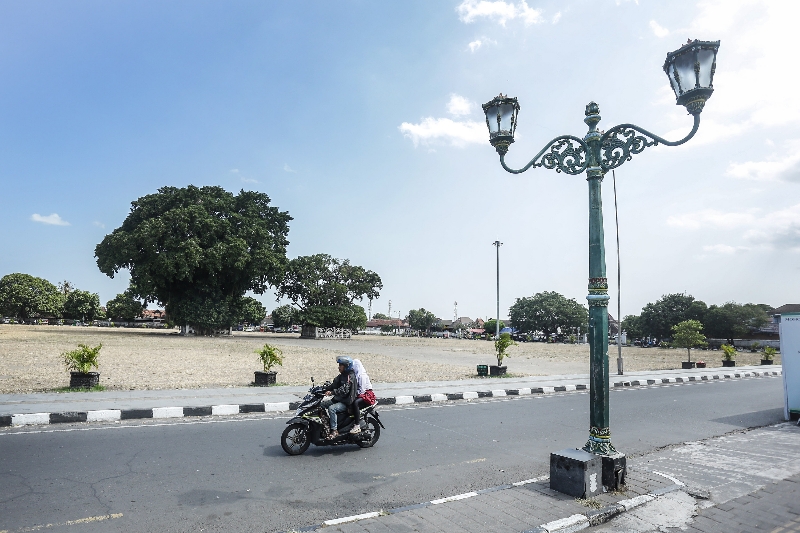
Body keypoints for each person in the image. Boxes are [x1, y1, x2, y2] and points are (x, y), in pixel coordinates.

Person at [320, 355, 358, 439]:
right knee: (321, 405)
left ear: (346, 366)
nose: (339, 367)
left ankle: (334, 430)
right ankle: (326, 425)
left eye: (341, 365)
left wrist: (332, 392)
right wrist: (322, 389)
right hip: (339, 399)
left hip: (347, 402)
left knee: (331, 408)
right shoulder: (342, 375)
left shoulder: (350, 376)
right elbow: (334, 385)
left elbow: (345, 389)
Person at [350, 358, 376, 434]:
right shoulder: (356, 375)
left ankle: (357, 425)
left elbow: (362, 390)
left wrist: (354, 394)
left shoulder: (362, 376)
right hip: (361, 393)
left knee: (355, 403)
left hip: (366, 394)